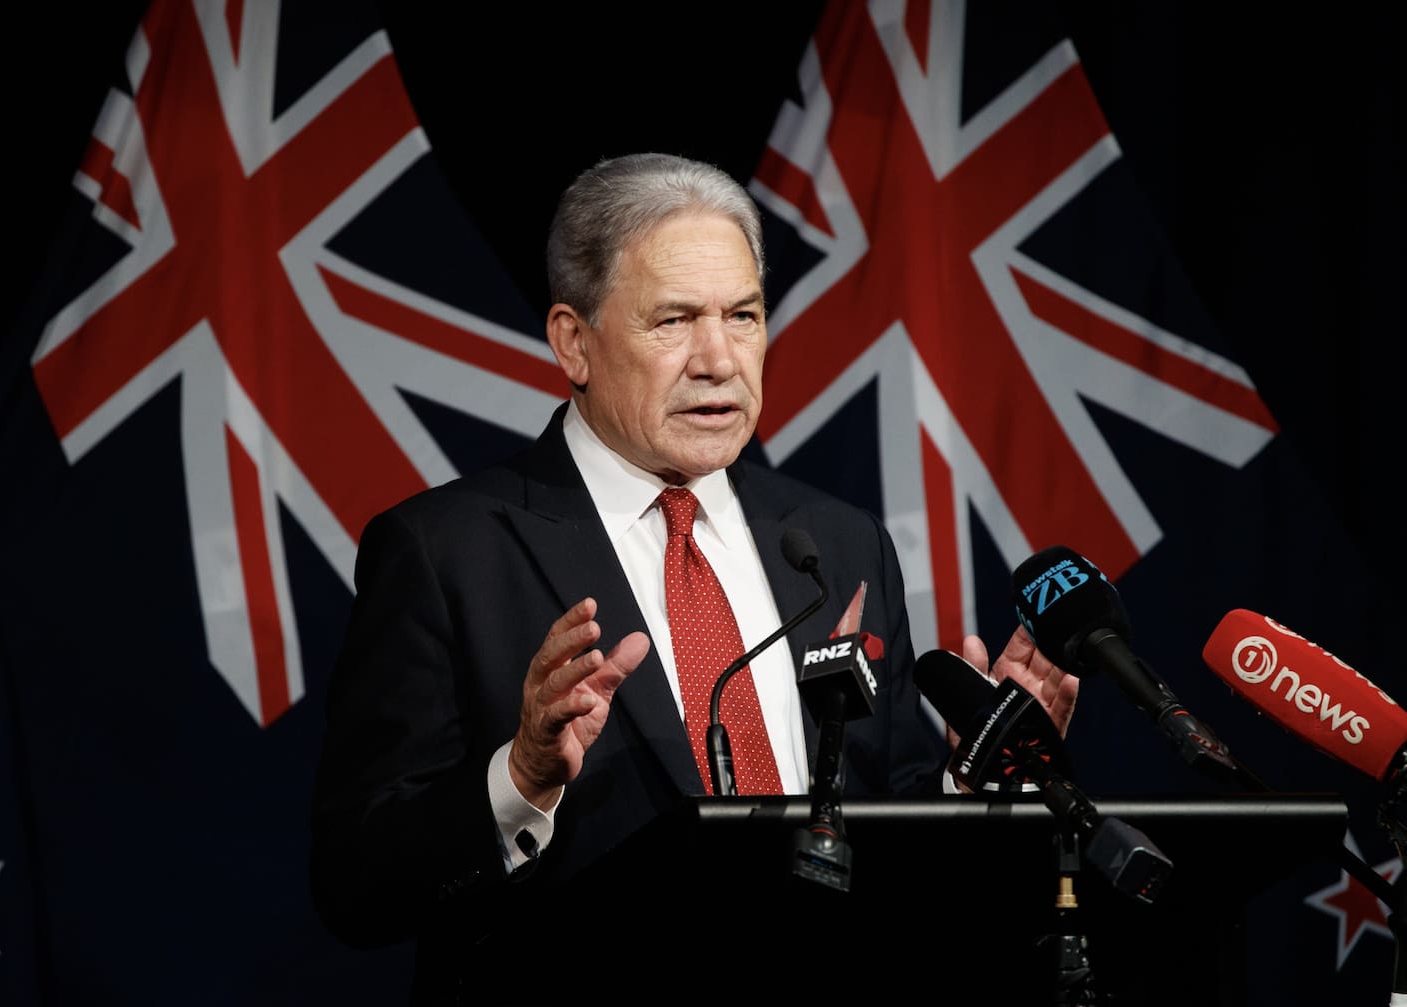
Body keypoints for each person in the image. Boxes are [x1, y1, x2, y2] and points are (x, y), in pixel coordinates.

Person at [309, 152, 1079, 1004]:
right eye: (673, 321)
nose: (719, 359)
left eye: (743, 315)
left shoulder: (836, 541)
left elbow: (883, 831)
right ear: (574, 341)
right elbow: (356, 883)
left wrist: (968, 783)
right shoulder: (446, 549)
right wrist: (519, 779)